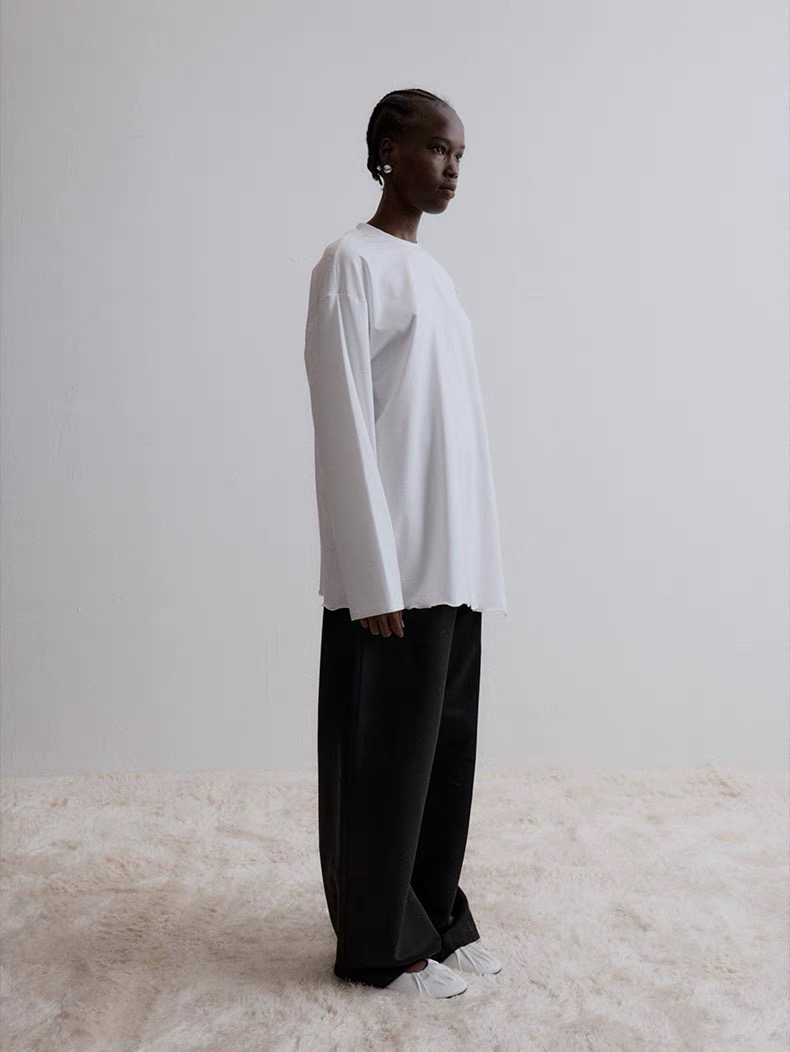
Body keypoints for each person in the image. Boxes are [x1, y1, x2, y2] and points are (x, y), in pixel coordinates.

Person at [303, 88, 508, 998]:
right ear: (389, 148)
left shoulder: (437, 277)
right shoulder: (350, 264)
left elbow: (453, 427)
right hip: (393, 569)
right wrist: (370, 572)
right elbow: (344, 421)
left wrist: (481, 556)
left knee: (442, 755)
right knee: (382, 757)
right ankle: (382, 946)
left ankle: (436, 914)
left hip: (453, 560)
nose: (452, 168)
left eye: (459, 154)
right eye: (436, 148)